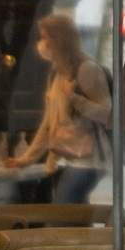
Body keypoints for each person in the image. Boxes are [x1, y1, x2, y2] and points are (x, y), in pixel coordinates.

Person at [9, 13, 112, 204]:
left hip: (87, 161)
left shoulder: (86, 69)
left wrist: (75, 100)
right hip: (65, 158)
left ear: (59, 40)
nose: (41, 44)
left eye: (45, 37)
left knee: (60, 220)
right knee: (75, 221)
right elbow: (49, 124)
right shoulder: (57, 73)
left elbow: (108, 114)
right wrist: (26, 159)